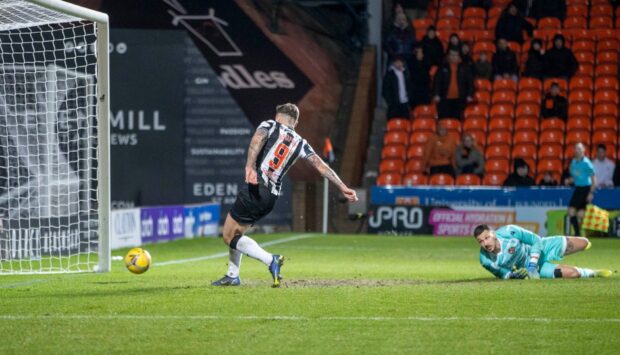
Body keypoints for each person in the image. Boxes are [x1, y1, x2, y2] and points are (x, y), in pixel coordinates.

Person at [211, 103, 358, 287]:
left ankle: (270, 260)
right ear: (295, 122)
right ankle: (232, 275)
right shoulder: (301, 143)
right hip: (271, 197)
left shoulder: (270, 125)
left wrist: (250, 166)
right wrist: (343, 186)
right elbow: (321, 166)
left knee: (228, 236)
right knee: (237, 234)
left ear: (278, 115)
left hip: (257, 187)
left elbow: (256, 142)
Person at [474, 224, 612, 279]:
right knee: (574, 274)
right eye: (481, 241)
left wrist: (532, 262)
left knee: (584, 243)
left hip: (542, 248)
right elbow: (502, 274)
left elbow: (535, 240)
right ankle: (593, 273)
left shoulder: (509, 231)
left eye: (487, 238)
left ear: (493, 234)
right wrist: (513, 275)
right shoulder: (485, 260)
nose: (485, 243)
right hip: (534, 269)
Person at [565, 143, 596, 236]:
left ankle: (577, 233)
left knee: (571, 210)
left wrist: (591, 192)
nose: (577, 150)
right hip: (578, 188)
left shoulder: (587, 163)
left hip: (585, 189)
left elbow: (594, 179)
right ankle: (579, 233)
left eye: (579, 148)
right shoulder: (573, 162)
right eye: (576, 149)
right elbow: (576, 177)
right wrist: (569, 180)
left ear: (584, 150)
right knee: (580, 214)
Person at [433, 49, 474, 119]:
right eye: (452, 55)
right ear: (448, 56)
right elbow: (437, 82)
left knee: (456, 121)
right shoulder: (442, 67)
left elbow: (470, 83)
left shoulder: (464, 68)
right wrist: (437, 94)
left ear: (458, 57)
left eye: (455, 55)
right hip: (444, 100)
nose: (454, 57)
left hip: (459, 100)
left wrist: (469, 94)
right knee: (444, 120)